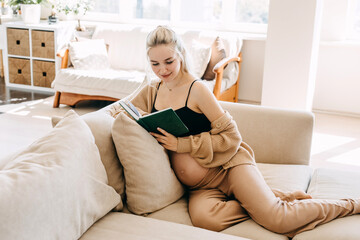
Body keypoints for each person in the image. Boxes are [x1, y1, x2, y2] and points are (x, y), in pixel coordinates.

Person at [109, 25, 360, 238]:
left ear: (181, 56)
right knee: (207, 221)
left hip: (229, 168)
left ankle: (349, 204)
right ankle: (266, 198)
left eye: (168, 61)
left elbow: (232, 137)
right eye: (154, 63)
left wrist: (182, 145)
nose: (162, 70)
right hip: (201, 188)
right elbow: (117, 110)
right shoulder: (153, 90)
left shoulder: (197, 90)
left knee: (277, 218)